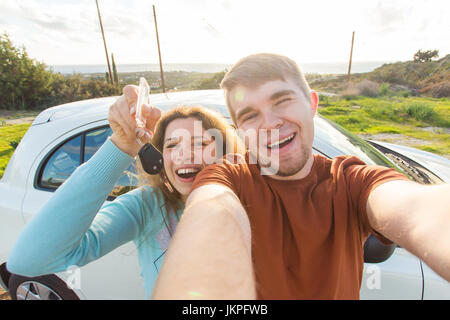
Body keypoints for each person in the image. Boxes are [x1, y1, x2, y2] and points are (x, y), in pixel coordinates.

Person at [153, 53, 450, 299]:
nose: (270, 123)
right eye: (250, 115)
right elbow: (211, 214)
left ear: (312, 104)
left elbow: (415, 208)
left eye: (282, 101)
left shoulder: (350, 181)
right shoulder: (228, 178)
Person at [6, 85, 248, 299]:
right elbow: (28, 260)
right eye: (172, 145)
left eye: (200, 143)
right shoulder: (147, 206)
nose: (184, 153)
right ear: (160, 158)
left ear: (225, 152)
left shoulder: (255, 198)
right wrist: (120, 146)